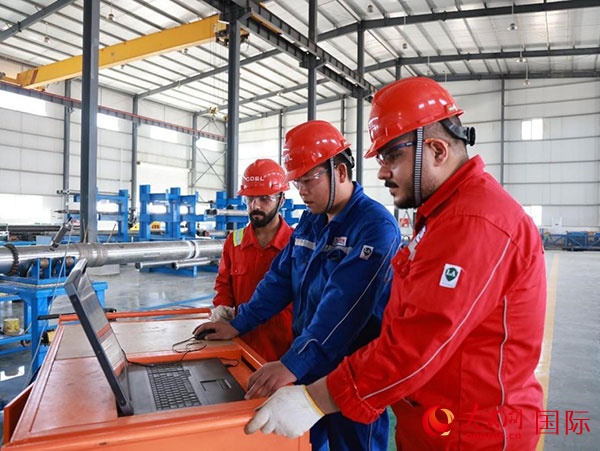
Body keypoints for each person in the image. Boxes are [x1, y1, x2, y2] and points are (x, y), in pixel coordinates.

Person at [243, 77, 547, 450]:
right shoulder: (442, 217)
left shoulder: (473, 222)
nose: (382, 172)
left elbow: (416, 342)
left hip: (471, 431)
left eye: (391, 156)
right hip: (433, 419)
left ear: (437, 150)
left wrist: (316, 398)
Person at [194, 120, 401, 451]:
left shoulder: (375, 227)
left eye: (307, 179)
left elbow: (343, 306)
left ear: (340, 172)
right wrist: (238, 323)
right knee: (302, 444)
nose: (301, 190)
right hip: (309, 363)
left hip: (350, 374)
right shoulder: (312, 222)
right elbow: (279, 280)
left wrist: (293, 363)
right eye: (296, 181)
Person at [210, 159, 294, 362]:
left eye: (264, 199)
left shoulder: (296, 244)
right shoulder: (234, 241)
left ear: (282, 200)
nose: (255, 206)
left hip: (284, 352)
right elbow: (224, 284)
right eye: (249, 199)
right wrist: (223, 309)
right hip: (240, 342)